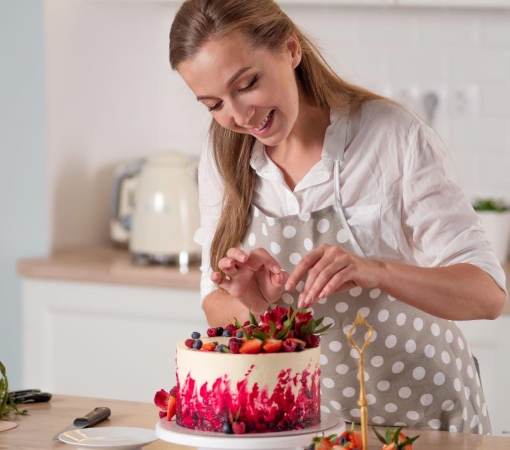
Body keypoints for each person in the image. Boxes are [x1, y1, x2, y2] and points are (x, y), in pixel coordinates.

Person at [169, 0, 507, 435]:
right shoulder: (223, 155)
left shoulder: (391, 136)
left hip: (427, 420)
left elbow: (487, 295)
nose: (238, 115)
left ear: (291, 50)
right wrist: (257, 304)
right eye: (213, 104)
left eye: (248, 83)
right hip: (309, 427)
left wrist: (376, 270)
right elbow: (215, 306)